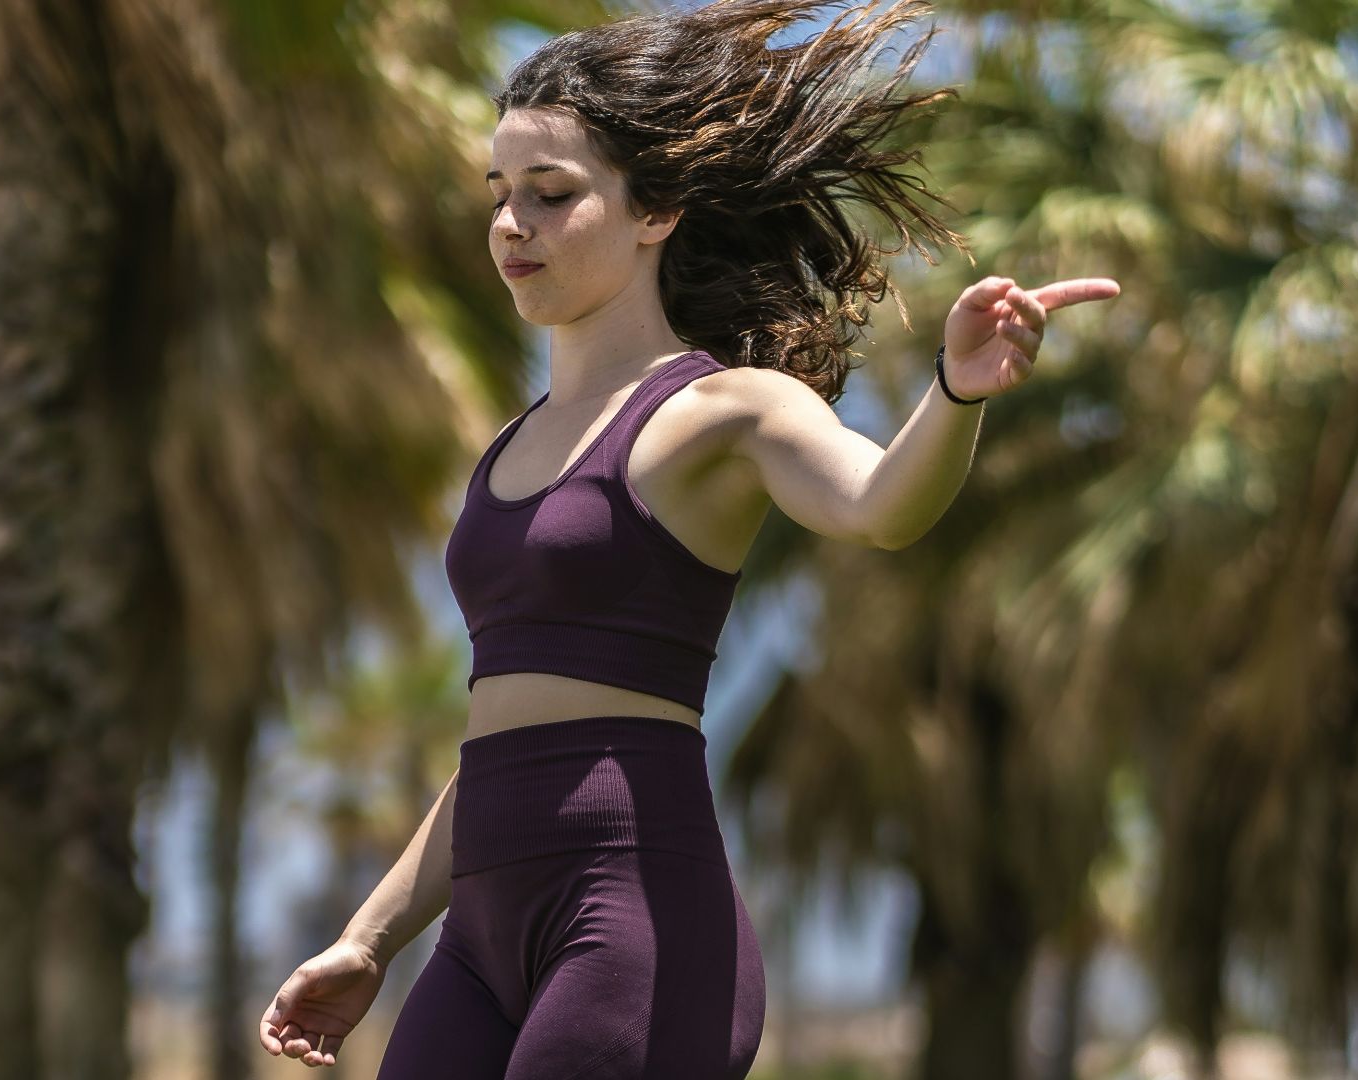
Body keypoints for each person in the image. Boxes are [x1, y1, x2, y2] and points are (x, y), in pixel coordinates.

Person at [256, 0, 1118, 1074]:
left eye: (553, 195)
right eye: (502, 197)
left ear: (656, 208)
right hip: (478, 937)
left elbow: (882, 504)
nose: (512, 225)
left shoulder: (727, 409)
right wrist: (368, 937)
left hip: (631, 922)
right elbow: (501, 742)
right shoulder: (511, 449)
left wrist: (953, 391)